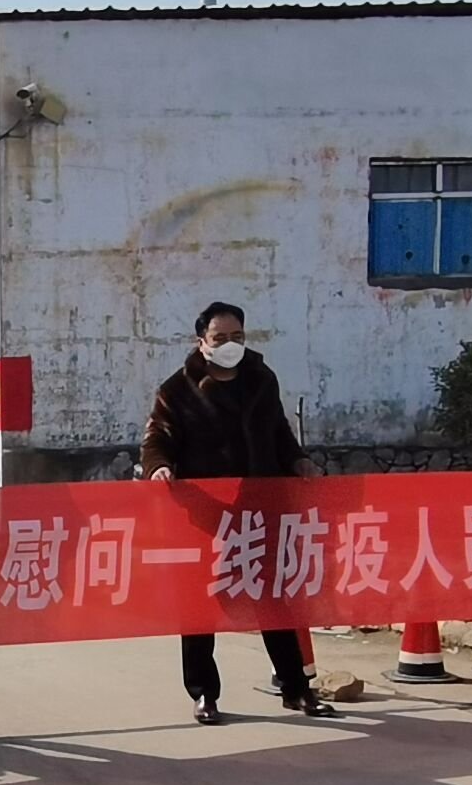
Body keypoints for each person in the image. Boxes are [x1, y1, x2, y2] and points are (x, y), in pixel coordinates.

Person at [141, 301, 334, 724]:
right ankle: (203, 694)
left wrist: (298, 461)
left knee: (275, 600)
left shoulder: (261, 380)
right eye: (220, 338)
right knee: (200, 605)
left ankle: (296, 689)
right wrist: (159, 467)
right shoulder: (177, 390)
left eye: (237, 337)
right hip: (206, 515)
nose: (230, 344)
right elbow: (157, 437)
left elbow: (279, 432)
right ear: (202, 342)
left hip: (261, 510)